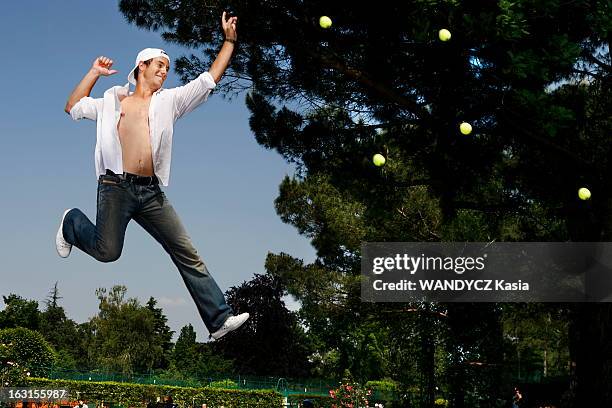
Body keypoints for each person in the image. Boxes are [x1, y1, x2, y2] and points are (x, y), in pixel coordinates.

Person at [56, 11, 248, 340]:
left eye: (168, 68)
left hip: (151, 193)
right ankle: (72, 222)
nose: (164, 71)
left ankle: (218, 320)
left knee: (186, 251)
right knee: (108, 253)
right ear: (141, 67)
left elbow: (209, 80)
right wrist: (93, 73)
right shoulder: (111, 102)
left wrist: (229, 41)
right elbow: (72, 107)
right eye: (159, 65)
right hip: (115, 188)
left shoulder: (169, 102)